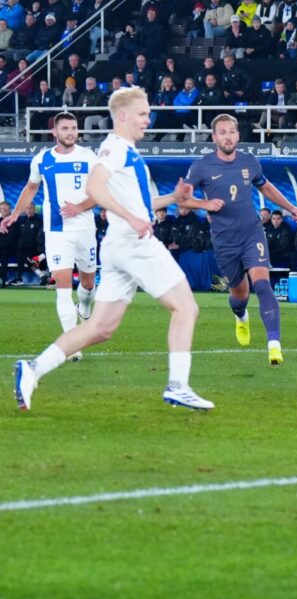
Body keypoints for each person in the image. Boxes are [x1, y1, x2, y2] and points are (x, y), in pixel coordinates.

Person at [15, 86, 213, 411]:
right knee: (186, 308)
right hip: (133, 242)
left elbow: (140, 203)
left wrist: (174, 199)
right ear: (122, 116)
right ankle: (178, 385)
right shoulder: (116, 148)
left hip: (118, 244)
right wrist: (132, 218)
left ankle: (32, 370)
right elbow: (95, 188)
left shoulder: (124, 151)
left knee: (100, 328)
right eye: (142, 113)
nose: (148, 119)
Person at [179, 114, 297, 366]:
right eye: (222, 132)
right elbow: (181, 198)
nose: (227, 136)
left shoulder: (250, 161)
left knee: (263, 285)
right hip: (224, 240)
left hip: (251, 232)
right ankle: (240, 315)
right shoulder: (201, 166)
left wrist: (291, 207)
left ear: (238, 135)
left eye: (231, 132)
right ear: (214, 138)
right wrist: (205, 204)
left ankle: (274, 345)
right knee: (240, 294)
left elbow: (265, 187)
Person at [1, 112, 99, 360]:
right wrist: (14, 215)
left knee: (88, 284)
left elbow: (102, 191)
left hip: (85, 228)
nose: (70, 132)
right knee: (63, 286)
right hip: (56, 231)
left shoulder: (89, 157)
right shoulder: (42, 159)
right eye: (65, 128)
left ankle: (85, 307)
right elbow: (31, 188)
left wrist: (80, 207)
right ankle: (72, 345)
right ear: (54, 132)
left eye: (74, 128)